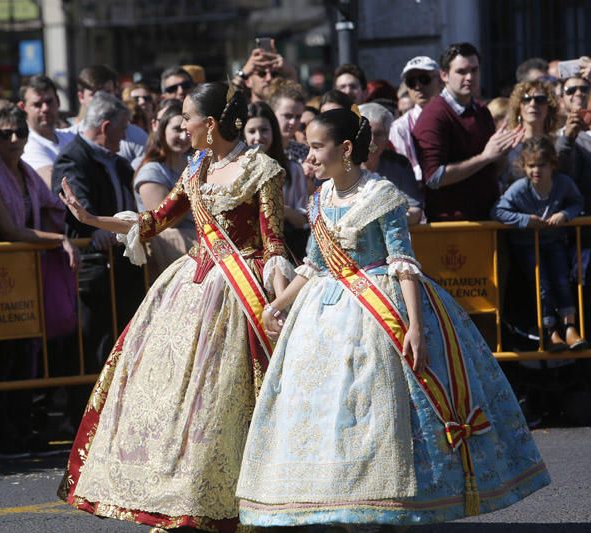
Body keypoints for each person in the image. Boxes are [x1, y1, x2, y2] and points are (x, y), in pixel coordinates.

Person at [236, 107, 550, 527]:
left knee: (379, 409)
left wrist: (417, 328)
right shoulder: (319, 198)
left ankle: (388, 501)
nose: (308, 156)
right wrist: (280, 303)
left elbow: (403, 261)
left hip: (378, 309)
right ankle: (331, 501)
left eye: (316, 147)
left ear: (345, 149)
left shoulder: (380, 194)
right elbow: (313, 266)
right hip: (324, 317)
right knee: (324, 411)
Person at [57, 81, 293, 532]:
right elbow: (153, 221)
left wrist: (278, 307)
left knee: (227, 401)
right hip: (190, 289)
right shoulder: (196, 169)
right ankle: (184, 500)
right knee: (181, 400)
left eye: (187, 117)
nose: (182, 126)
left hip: (237, 295)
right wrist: (91, 219)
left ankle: (244, 501)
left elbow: (274, 244)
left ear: (211, 123)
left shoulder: (261, 169)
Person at [0, 103, 78, 457]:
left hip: (23, 274)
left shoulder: (27, 171)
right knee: (1, 358)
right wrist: (57, 240)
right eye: (6, 133)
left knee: (25, 356)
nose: (15, 138)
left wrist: (79, 215)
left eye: (20, 132)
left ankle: (22, 427)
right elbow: (10, 228)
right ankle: (3, 434)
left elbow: (52, 205)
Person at [51, 92, 146, 429]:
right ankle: (84, 418)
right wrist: (96, 230)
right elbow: (77, 209)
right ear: (105, 126)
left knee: (123, 343)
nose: (125, 137)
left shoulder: (119, 164)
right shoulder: (73, 160)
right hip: (93, 269)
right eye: (121, 129)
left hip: (123, 267)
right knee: (91, 347)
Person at [493, 136, 586, 351]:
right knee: (542, 285)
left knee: (562, 280)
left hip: (554, 242)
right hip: (527, 245)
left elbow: (577, 202)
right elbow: (498, 211)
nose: (536, 171)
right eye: (531, 166)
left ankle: (570, 327)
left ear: (552, 165)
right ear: (524, 167)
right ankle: (550, 330)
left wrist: (565, 214)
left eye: (541, 165)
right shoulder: (519, 188)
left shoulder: (563, 183)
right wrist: (525, 220)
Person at [413, 42, 523, 221]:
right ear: (444, 75)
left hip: (488, 220)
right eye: (461, 71)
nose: (470, 77)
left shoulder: (481, 110)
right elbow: (434, 177)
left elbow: (492, 170)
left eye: (474, 70)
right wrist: (485, 157)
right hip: (452, 227)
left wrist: (501, 153)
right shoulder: (434, 115)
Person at [133, 100, 195, 277]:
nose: (184, 136)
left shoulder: (195, 162)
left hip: (198, 252)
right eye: (177, 129)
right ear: (162, 130)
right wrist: (195, 187)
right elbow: (164, 220)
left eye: (187, 129)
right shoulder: (152, 170)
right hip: (170, 262)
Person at [244, 101, 308, 259]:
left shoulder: (293, 169)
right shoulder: (235, 171)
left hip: (285, 247)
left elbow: (303, 221)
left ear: (273, 131)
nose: (258, 137)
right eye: (252, 131)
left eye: (264, 130)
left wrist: (275, 208)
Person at [63, 65, 149, 164]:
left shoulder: (136, 136)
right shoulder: (68, 137)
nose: (102, 99)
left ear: (115, 93)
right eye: (94, 94)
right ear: (81, 97)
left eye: (107, 92)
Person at [360, 102, 424, 225]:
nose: (372, 141)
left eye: (379, 134)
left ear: (388, 136)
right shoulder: (340, 164)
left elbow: (415, 211)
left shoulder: (399, 164)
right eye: (366, 133)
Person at [390, 56, 441, 183]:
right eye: (411, 82)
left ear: (440, 80)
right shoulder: (400, 127)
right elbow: (405, 170)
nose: (418, 86)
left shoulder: (454, 115)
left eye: (424, 79)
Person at [18, 75, 76, 187]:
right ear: (22, 107)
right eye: (37, 104)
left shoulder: (70, 136)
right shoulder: (27, 145)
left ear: (58, 101)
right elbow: (59, 187)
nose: (45, 108)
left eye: (49, 101)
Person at [501, 79, 559, 188]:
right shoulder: (507, 143)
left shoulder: (557, 143)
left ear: (549, 108)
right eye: (526, 99)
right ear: (519, 107)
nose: (533, 104)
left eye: (540, 100)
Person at [556, 75, 591, 212]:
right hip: (575, 215)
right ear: (561, 100)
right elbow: (560, 171)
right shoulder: (557, 136)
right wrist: (568, 139)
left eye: (584, 89)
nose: (578, 93)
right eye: (570, 90)